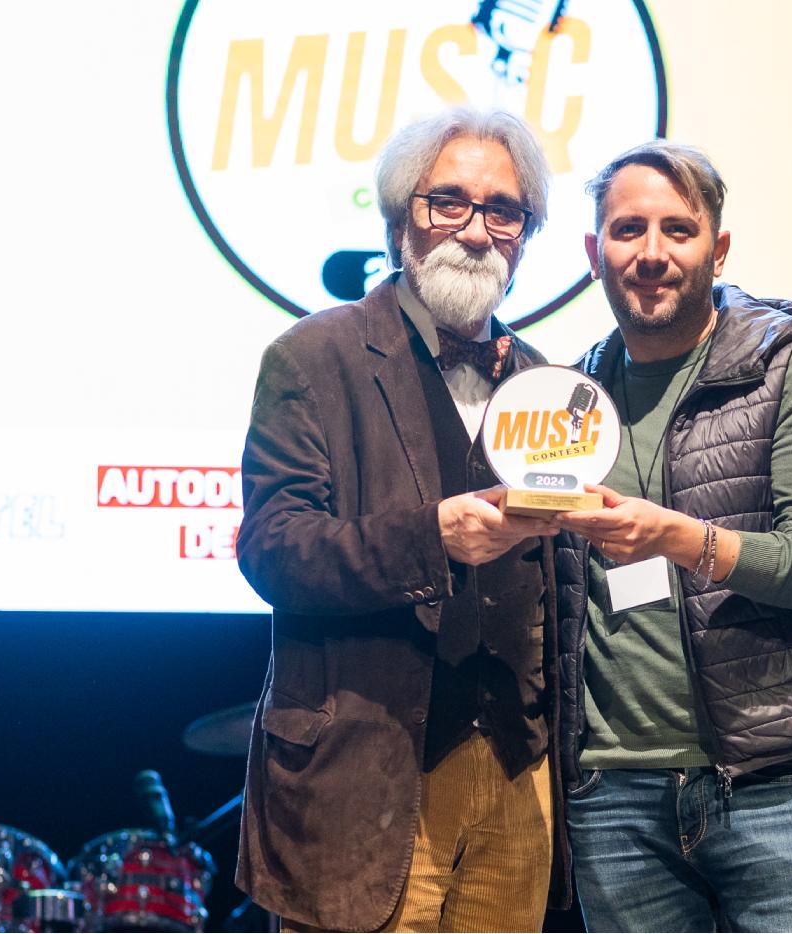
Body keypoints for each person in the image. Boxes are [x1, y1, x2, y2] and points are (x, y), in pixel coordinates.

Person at [233, 107, 568, 933]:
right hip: (365, 777)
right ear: (398, 219)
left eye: (503, 211)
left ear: (525, 238)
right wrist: (432, 539)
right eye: (448, 201)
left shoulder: (546, 383)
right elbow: (274, 548)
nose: (476, 230)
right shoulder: (313, 357)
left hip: (518, 778)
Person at [550, 140, 792, 932]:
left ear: (719, 248)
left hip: (773, 782)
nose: (652, 253)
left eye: (678, 229)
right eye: (628, 230)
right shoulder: (569, 395)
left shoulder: (789, 364)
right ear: (594, 253)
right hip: (613, 792)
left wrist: (679, 538)